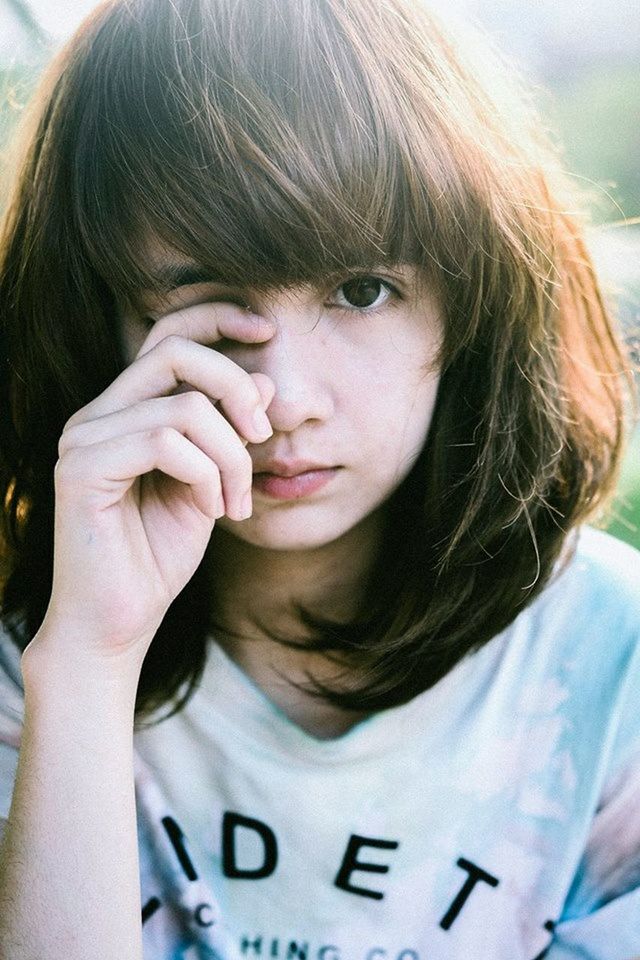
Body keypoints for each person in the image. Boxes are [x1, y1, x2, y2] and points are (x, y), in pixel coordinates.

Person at [0, 0, 638, 957]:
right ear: (98, 321)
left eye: (362, 291)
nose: (283, 397)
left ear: (472, 300)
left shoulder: (608, 661)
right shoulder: (36, 650)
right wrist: (89, 668)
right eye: (203, 297)